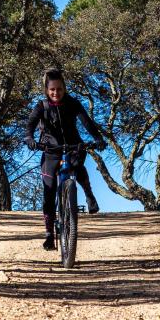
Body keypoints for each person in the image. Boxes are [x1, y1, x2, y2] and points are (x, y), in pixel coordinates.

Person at [24, 68, 106, 250]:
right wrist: (29, 138)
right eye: (52, 90)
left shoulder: (73, 103)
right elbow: (30, 124)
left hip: (72, 145)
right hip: (50, 149)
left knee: (77, 167)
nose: (56, 93)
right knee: (49, 192)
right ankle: (49, 235)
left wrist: (98, 138)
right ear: (47, 90)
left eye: (59, 89)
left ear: (64, 88)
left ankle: (89, 195)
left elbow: (87, 122)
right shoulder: (41, 106)